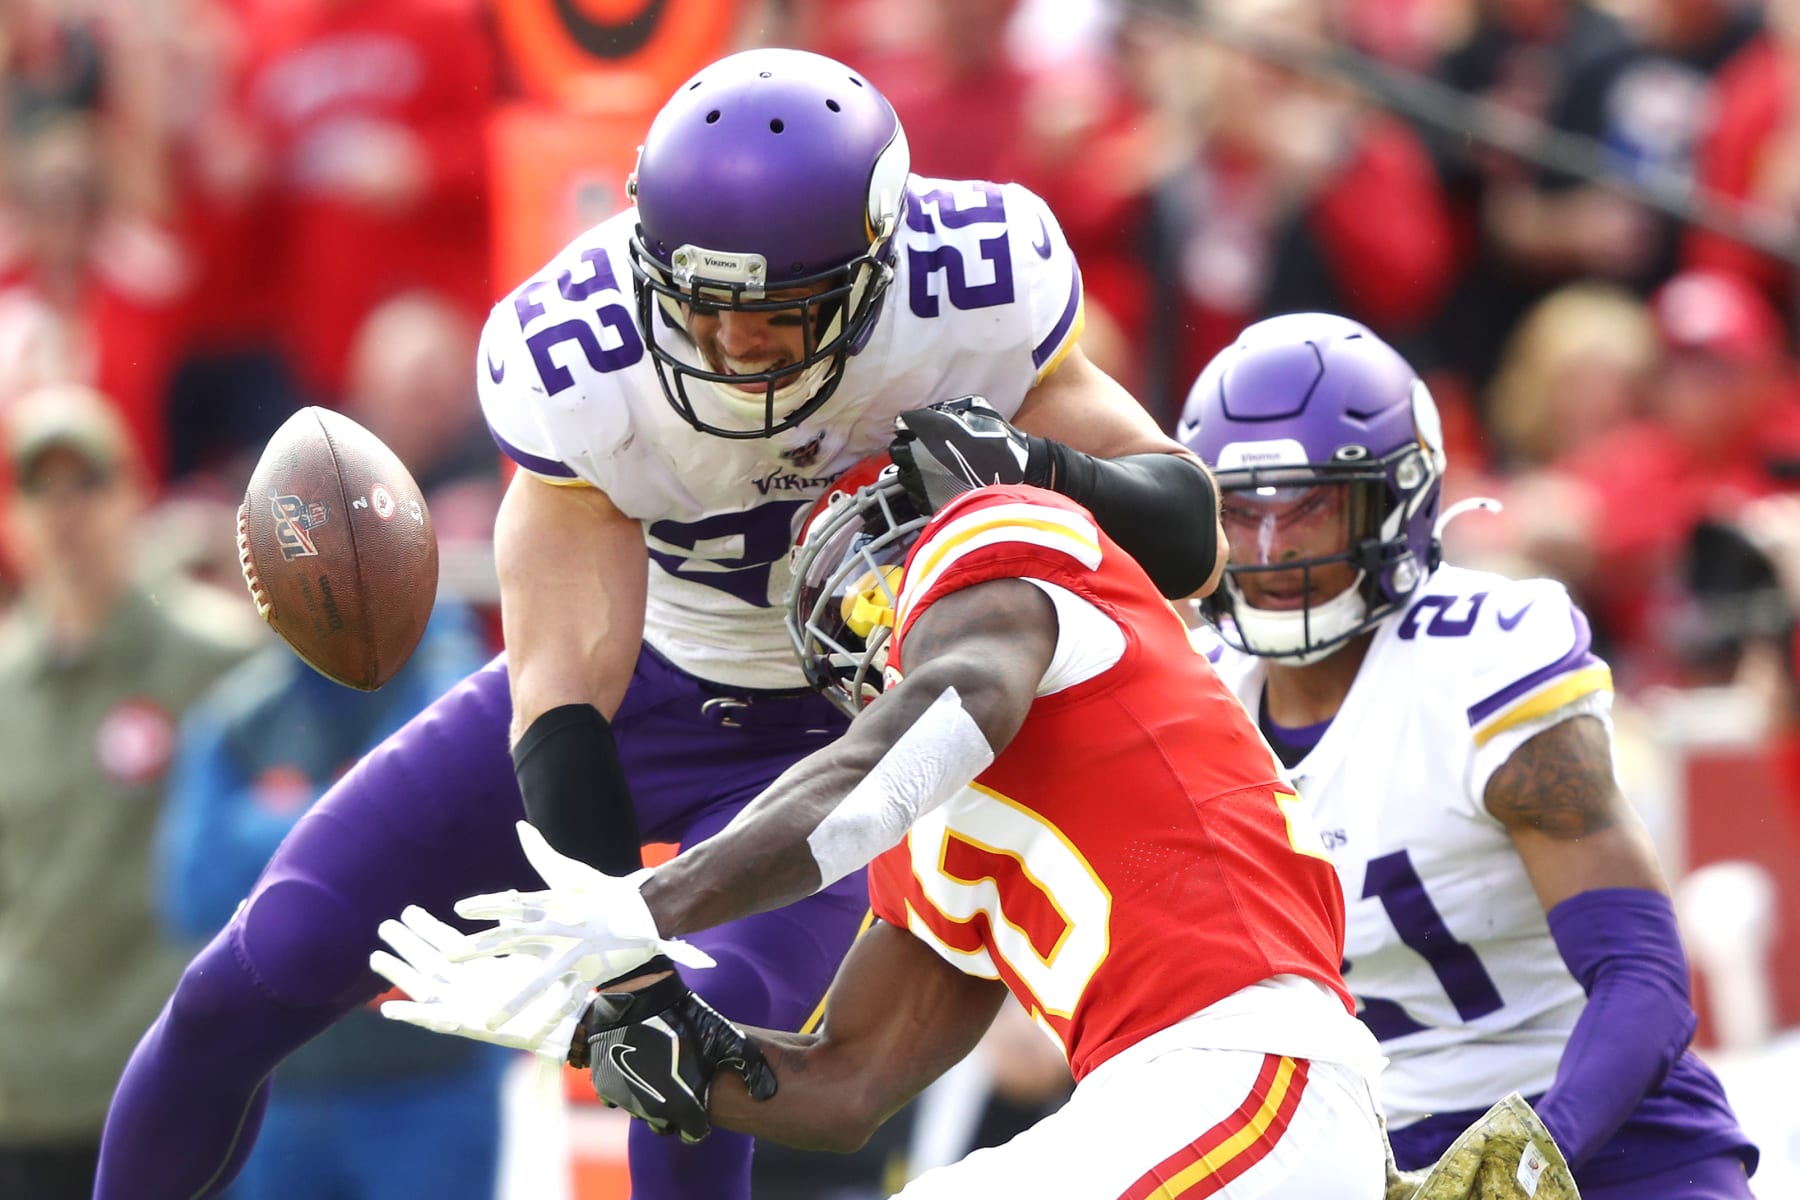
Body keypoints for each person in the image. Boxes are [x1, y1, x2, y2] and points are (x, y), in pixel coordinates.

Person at [94, 46, 1225, 1200]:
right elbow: (563, 702)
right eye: (702, 305)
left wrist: (1037, 462)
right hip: (647, 687)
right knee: (252, 974)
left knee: (704, 1047)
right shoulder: (582, 354)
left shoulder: (972, 284)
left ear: (876, 265)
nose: (733, 345)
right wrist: (624, 973)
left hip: (848, 736)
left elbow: (1190, 537)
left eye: (777, 314)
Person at [371, 447, 1391, 1198]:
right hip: (1179, 1105)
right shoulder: (925, 813)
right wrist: (588, 1027)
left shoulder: (1004, 554)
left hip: (1249, 1071)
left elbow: (939, 717)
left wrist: (649, 904)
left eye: (867, 583)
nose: (860, 611)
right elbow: (845, 1085)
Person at [1175, 313, 1759, 1198]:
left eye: (1309, 505)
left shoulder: (1485, 656)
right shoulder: (1193, 697)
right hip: (1378, 1159)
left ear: (1398, 499)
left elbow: (1642, 978)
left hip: (1612, 1134)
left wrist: (1532, 1161)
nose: (1270, 545)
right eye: (1239, 509)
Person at [154, 607, 506, 1200]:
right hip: (281, 1087)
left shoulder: (454, 686)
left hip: (430, 1081)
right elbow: (191, 896)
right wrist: (354, 822)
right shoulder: (240, 715)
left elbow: (428, 829)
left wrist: (263, 831)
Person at [0, 384, 254, 1199]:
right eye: (41, 490)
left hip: (168, 1076)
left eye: (89, 484)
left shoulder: (219, 657)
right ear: (14, 517)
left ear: (135, 495)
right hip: (27, 1083)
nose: (65, 514)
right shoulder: (4, 683)